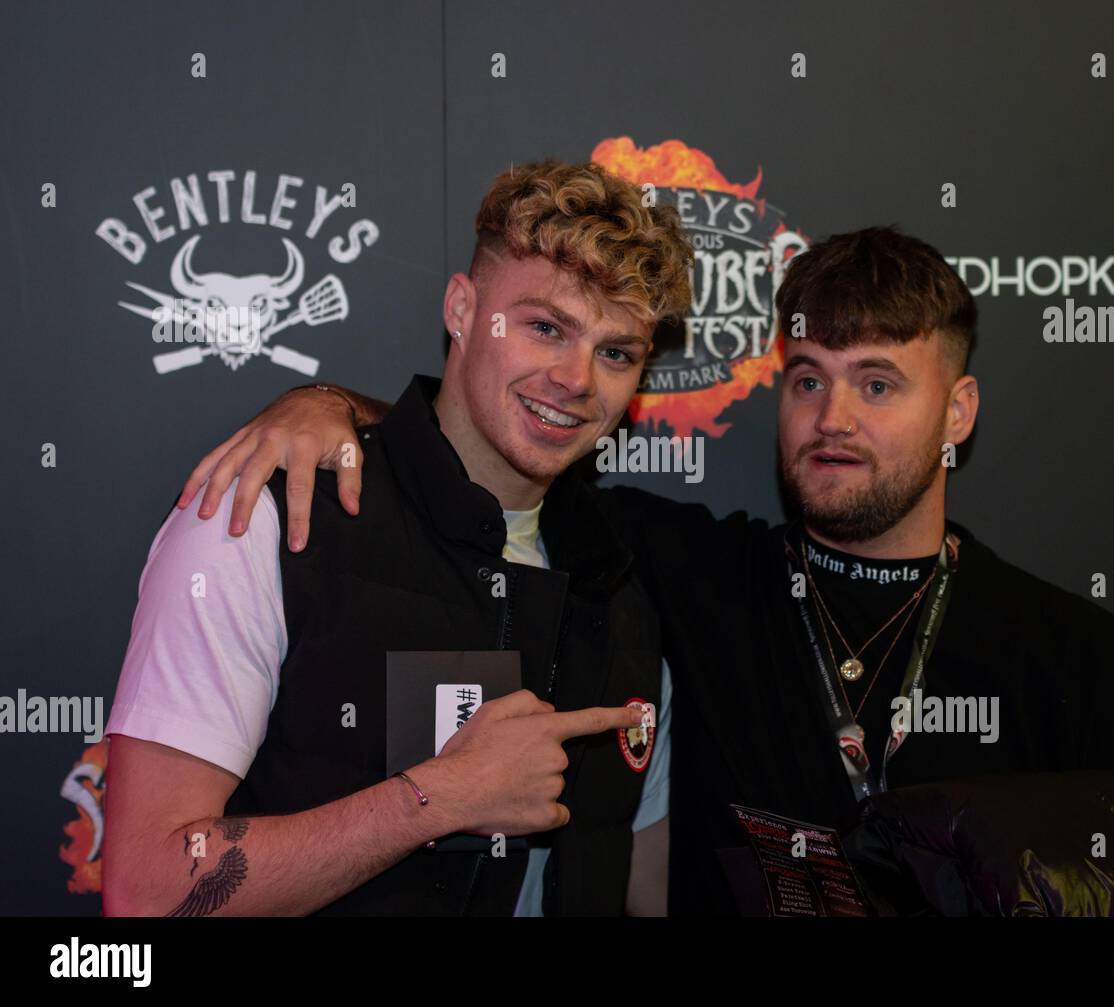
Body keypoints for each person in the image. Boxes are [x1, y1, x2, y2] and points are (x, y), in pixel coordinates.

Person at [183, 226, 1114, 915]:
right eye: (806, 379)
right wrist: (326, 404)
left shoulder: (1076, 657)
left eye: (877, 383)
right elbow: (499, 429)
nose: (831, 418)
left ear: (957, 413)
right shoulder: (685, 571)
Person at [102, 159, 695, 916]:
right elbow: (148, 890)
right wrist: (438, 798)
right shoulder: (270, 516)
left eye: (616, 352)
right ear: (460, 308)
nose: (577, 379)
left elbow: (641, 888)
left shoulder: (621, 594)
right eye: (546, 327)